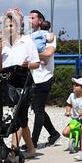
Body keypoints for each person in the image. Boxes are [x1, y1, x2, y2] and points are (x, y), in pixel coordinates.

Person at [0, 8, 41, 159]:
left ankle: (14, 151)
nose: (9, 28)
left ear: (18, 26)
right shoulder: (3, 44)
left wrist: (26, 65)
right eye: (6, 25)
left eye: (11, 25)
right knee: (21, 118)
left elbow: (36, 63)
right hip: (8, 85)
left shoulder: (27, 41)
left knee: (16, 117)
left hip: (24, 84)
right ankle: (31, 149)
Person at [28, 10, 61, 148]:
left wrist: (32, 53)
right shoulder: (29, 36)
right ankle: (53, 133)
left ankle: (32, 142)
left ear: (40, 21)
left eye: (32, 17)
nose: (29, 20)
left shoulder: (49, 36)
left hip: (45, 76)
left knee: (39, 109)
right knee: (37, 109)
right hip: (32, 77)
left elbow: (47, 54)